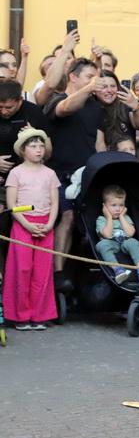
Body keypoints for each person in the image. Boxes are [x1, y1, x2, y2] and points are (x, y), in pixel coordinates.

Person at [43, 57, 104, 293]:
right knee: (67, 217)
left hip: (85, 175)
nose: (95, 82)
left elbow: (98, 142)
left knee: (88, 225)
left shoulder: (95, 107)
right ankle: (58, 275)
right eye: (89, 77)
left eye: (96, 77)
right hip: (58, 174)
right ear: (73, 77)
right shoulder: (56, 99)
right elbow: (66, 108)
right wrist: (90, 88)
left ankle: (83, 281)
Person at [2, 129, 59, 331]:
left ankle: (40, 315)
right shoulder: (16, 173)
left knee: (42, 272)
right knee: (22, 269)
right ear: (23, 150)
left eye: (41, 146)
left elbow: (54, 203)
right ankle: (20, 316)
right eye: (33, 146)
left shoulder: (50, 174)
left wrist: (50, 224)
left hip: (45, 225)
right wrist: (27, 224)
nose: (38, 150)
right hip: (23, 224)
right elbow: (12, 205)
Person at [0, 79, 49, 208]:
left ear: (20, 101)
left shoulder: (33, 112)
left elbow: (48, 152)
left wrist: (36, 135)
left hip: (27, 179)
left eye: (9, 107)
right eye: (0, 107)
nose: (4, 112)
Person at [95, 184, 139, 285]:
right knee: (101, 245)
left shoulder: (126, 218)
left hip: (125, 242)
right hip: (111, 244)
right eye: (114, 205)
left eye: (121, 205)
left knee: (133, 242)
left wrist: (122, 217)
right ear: (104, 206)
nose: (118, 209)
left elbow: (130, 233)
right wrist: (109, 217)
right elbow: (107, 235)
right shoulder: (101, 219)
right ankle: (118, 270)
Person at [94, 70, 139, 150]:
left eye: (113, 86)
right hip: (104, 157)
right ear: (94, 90)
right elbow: (100, 145)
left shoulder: (125, 104)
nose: (109, 90)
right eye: (104, 87)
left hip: (128, 155)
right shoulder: (91, 109)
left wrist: (136, 107)